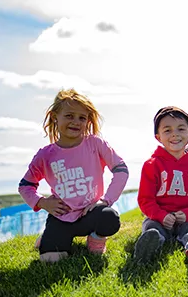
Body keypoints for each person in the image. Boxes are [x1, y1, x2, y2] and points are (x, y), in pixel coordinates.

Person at [18, 88, 129, 263]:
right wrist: (42, 202)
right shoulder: (45, 155)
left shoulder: (95, 144)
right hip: (62, 216)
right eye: (69, 116)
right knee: (51, 261)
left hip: (92, 213)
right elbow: (25, 186)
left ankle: (96, 238)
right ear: (55, 116)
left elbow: (121, 170)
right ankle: (49, 237)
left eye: (82, 118)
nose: (76, 122)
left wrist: (105, 200)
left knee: (110, 218)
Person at [135, 106, 188, 265]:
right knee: (152, 227)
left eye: (180, 129)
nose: (175, 134)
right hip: (160, 218)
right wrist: (161, 216)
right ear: (158, 137)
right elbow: (145, 200)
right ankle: (149, 246)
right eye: (167, 130)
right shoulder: (151, 165)